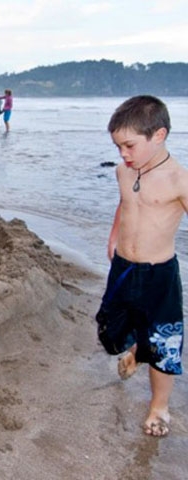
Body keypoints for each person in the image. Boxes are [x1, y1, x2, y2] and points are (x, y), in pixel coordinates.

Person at [96, 95, 185, 437]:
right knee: (111, 330)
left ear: (158, 135)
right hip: (123, 267)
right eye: (118, 146)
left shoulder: (178, 180)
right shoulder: (123, 171)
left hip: (158, 274)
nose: (123, 154)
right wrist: (114, 235)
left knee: (164, 344)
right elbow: (126, 202)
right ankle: (136, 349)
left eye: (129, 146)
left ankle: (159, 407)